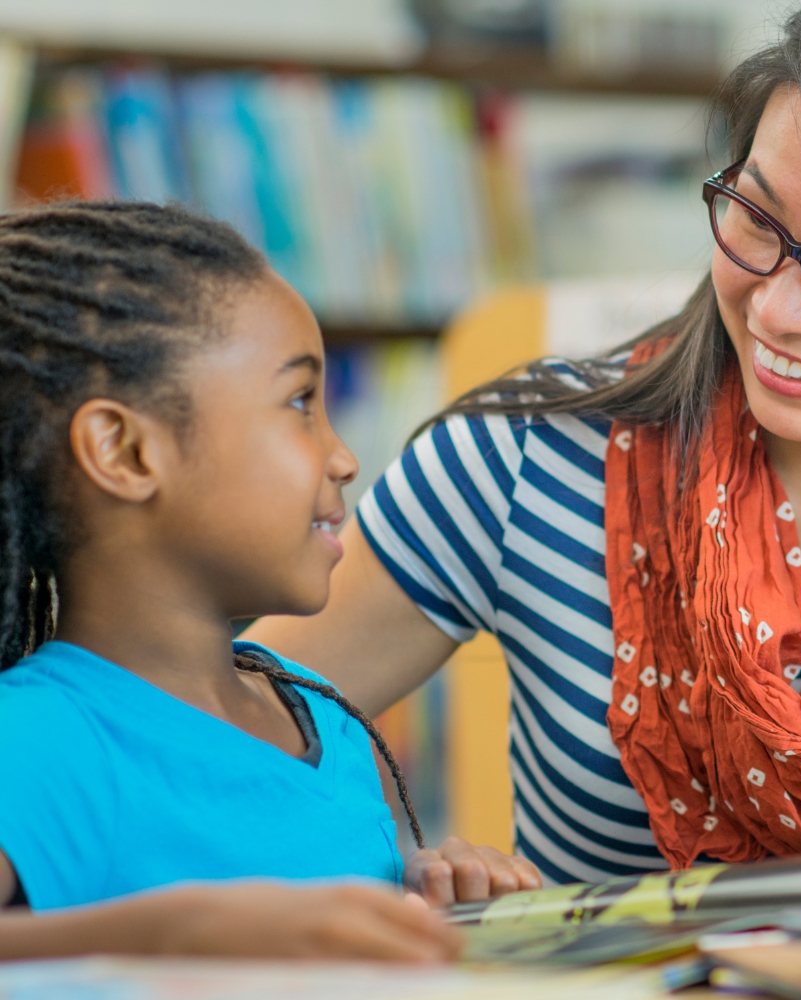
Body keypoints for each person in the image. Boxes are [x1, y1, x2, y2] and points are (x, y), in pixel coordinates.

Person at [249, 0, 801, 882]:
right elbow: (197, 755)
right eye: (757, 219)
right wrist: (383, 866)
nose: (776, 308)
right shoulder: (521, 463)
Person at [0, 201, 538, 958]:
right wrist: (180, 933)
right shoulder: (38, 736)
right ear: (123, 452)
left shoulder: (324, 718)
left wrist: (426, 903)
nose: (344, 458)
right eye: (299, 403)